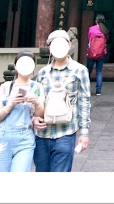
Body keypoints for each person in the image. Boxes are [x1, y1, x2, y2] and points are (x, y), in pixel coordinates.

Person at [32, 29, 91, 172]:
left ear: (69, 45)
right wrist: (33, 118)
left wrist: (84, 133)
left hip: (66, 132)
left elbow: (84, 101)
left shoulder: (80, 70)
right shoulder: (42, 73)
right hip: (42, 133)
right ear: (49, 48)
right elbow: (36, 100)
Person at [0, 50, 45, 172]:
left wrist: (36, 102)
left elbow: (40, 115)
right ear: (15, 66)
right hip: (4, 137)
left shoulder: (37, 87)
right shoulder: (5, 87)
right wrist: (11, 104)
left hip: (25, 138)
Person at [87, 14, 109, 95]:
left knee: (88, 71)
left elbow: (89, 40)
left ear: (96, 21)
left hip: (92, 52)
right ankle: (98, 91)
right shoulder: (105, 30)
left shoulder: (91, 29)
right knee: (99, 71)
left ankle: (86, 88)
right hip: (101, 53)